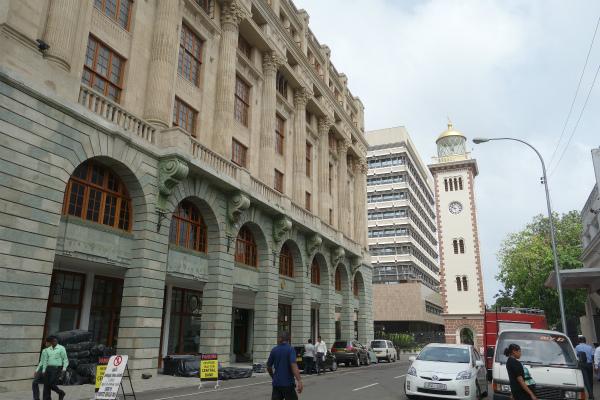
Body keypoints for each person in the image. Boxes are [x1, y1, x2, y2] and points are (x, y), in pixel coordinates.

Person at [267, 331, 303, 400]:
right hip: (288, 383)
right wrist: (299, 381)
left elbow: (268, 366)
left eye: (278, 337)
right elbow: (293, 365)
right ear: (288, 339)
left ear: (280, 339)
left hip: (277, 384)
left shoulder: (274, 350)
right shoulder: (290, 349)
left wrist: (273, 376)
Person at [41, 335, 68, 400]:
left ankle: (61, 393)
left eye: (47, 343)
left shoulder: (61, 348)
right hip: (48, 368)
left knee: (51, 384)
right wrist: (43, 369)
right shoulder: (47, 350)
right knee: (46, 385)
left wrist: (64, 369)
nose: (46, 344)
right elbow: (45, 360)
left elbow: (65, 359)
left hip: (56, 369)